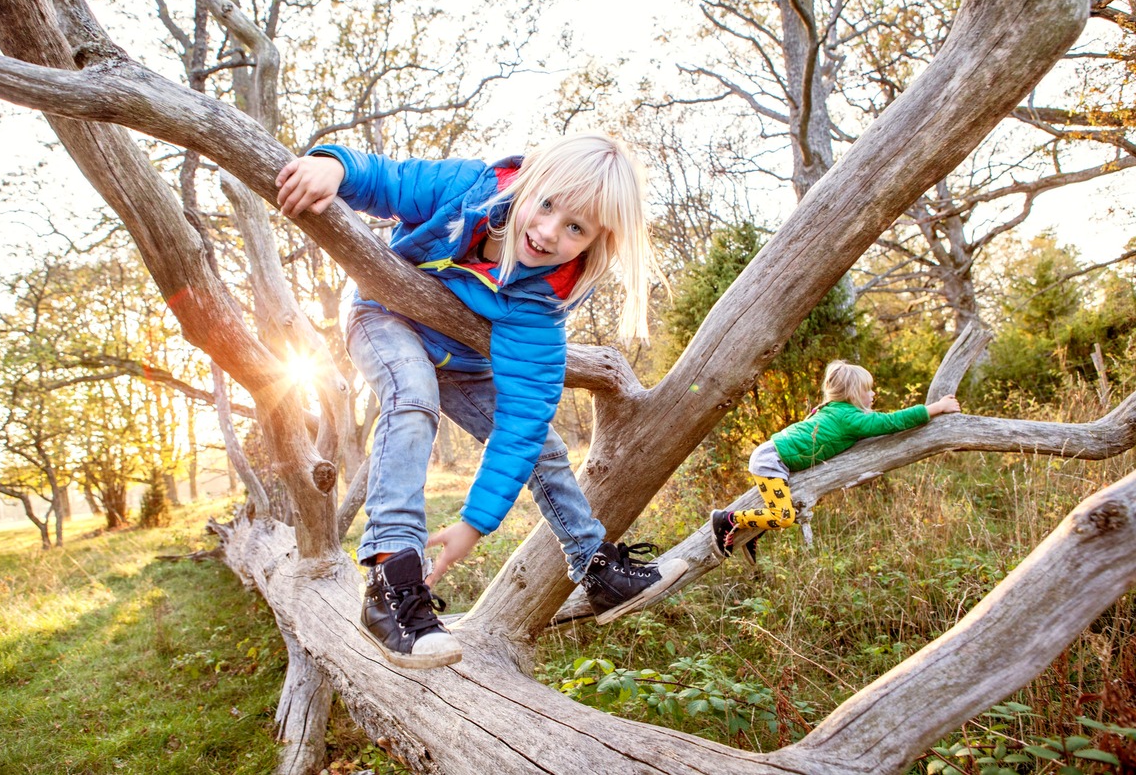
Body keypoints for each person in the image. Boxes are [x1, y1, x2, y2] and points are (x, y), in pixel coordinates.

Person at [276, 133, 688, 669]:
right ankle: (389, 579)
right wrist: (332, 167)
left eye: (575, 228)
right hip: (384, 319)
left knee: (544, 447)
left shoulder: (541, 308)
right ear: (530, 182)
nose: (546, 232)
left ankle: (595, 566)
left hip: (463, 365)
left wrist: (472, 525)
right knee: (411, 396)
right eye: (546, 205)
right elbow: (387, 177)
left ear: (594, 241)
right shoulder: (468, 189)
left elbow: (522, 422)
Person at [711, 360, 961, 564]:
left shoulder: (835, 409)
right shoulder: (849, 417)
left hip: (775, 455)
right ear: (854, 394)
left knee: (779, 506)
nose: (873, 394)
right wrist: (937, 407)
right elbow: (892, 422)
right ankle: (728, 520)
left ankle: (752, 533)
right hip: (772, 459)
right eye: (868, 390)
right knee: (785, 516)